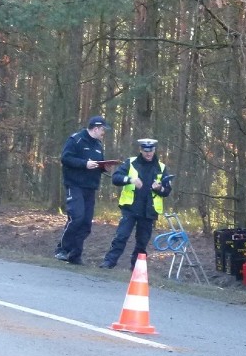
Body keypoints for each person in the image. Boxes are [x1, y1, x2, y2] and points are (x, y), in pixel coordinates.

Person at [99, 138, 173, 269]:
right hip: (130, 208)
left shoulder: (161, 167)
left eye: (151, 151)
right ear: (141, 150)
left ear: (155, 150)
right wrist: (130, 179)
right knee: (121, 236)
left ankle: (136, 268)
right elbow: (116, 178)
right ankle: (109, 262)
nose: (149, 154)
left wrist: (159, 188)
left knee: (142, 242)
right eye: (146, 151)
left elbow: (166, 191)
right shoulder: (131, 162)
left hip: (149, 211)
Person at [55, 115, 114, 265]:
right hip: (74, 185)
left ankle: (75, 255)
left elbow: (96, 164)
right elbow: (65, 158)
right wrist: (84, 164)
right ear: (95, 128)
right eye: (102, 130)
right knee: (77, 217)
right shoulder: (76, 140)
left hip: (90, 187)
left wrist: (103, 167)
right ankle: (62, 249)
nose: (103, 133)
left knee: (86, 223)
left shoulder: (98, 145)